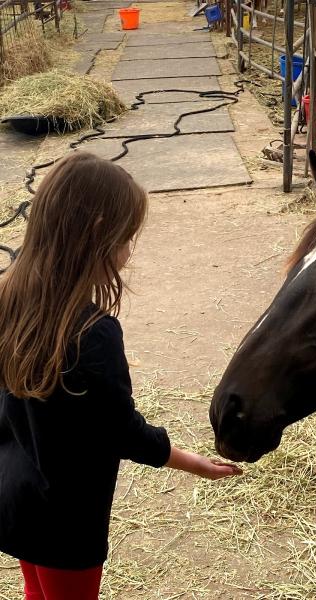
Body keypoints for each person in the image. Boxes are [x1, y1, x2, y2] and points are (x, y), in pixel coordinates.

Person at [0, 152, 242, 600]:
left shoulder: (9, 297)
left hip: (14, 496)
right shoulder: (92, 334)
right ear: (98, 235)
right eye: (127, 237)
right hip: (65, 521)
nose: (129, 252)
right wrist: (192, 463)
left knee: (36, 592)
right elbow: (120, 431)